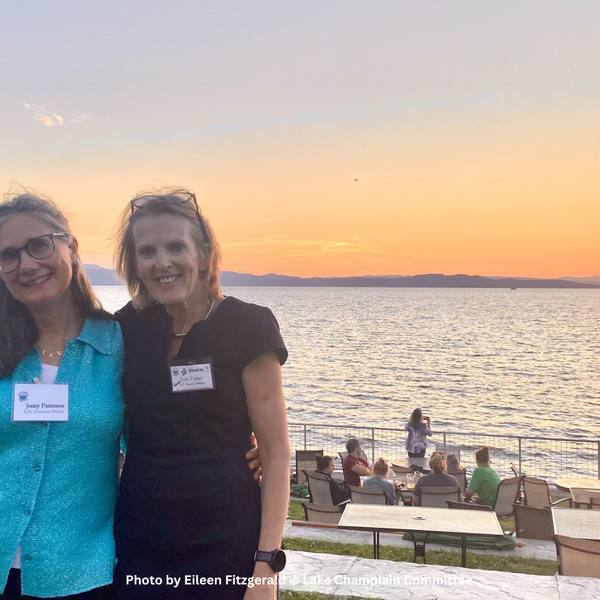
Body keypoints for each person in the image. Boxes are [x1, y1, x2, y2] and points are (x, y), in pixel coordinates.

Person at [112, 188, 290, 600]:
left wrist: (266, 566)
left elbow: (277, 455)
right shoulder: (124, 328)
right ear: (135, 264)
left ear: (205, 254)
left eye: (176, 247)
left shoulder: (249, 327)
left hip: (227, 539)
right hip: (140, 540)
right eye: (147, 251)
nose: (162, 263)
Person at [0, 193, 124, 599]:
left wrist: (238, 446)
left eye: (39, 245)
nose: (26, 265)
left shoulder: (120, 345)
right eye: (8, 256)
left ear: (71, 247)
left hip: (81, 577)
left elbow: (163, 428)